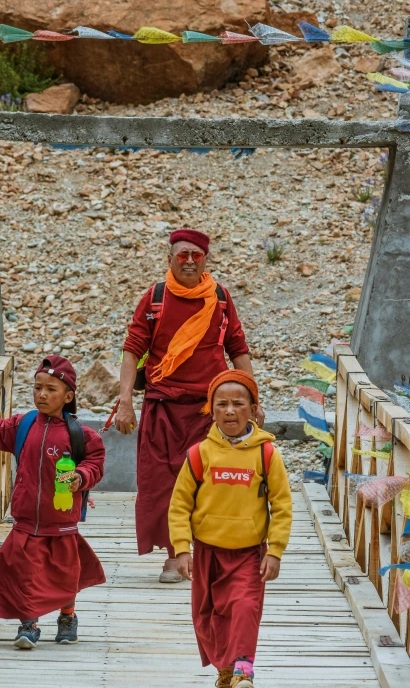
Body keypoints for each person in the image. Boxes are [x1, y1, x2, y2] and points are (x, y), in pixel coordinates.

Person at [116, 228, 263, 582]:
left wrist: (254, 401)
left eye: (196, 256)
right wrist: (125, 400)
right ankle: (174, 556)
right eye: (182, 255)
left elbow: (238, 349)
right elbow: (132, 348)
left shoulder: (220, 298)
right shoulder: (155, 298)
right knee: (162, 482)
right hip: (162, 405)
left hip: (209, 409)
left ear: (206, 261)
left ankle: (212, 552)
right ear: (169, 259)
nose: (189, 262)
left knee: (212, 482)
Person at [0, 355, 106, 650]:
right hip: (25, 519)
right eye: (37, 388)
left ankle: (67, 616)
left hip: (60, 519)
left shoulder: (80, 435)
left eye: (51, 389)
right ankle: (29, 624)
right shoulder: (23, 425)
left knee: (65, 572)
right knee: (23, 571)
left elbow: (95, 463)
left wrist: (81, 478)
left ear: (68, 396)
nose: (42, 395)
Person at [168, 370, 292, 688]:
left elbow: (282, 506)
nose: (230, 411)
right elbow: (179, 504)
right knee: (207, 618)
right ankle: (227, 669)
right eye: (221, 404)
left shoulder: (266, 455)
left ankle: (243, 669)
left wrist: (275, 551)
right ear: (212, 409)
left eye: (239, 403)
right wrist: (182, 548)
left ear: (253, 410)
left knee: (245, 606)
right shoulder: (200, 455)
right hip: (207, 552)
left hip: (250, 553)